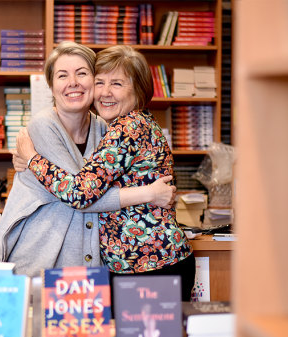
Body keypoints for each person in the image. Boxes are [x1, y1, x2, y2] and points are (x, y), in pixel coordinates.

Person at [16, 45, 195, 300]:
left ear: (139, 88)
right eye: (100, 82)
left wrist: (32, 157)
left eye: (118, 84)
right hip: (143, 264)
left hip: (150, 266)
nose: (105, 93)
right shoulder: (129, 123)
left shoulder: (127, 128)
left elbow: (80, 192)